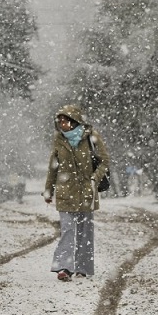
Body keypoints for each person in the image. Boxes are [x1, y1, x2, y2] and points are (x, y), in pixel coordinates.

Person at [43, 104, 110, 281]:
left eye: (64, 121)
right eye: (59, 121)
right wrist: (48, 190)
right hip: (65, 192)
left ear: (74, 121)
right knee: (67, 230)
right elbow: (53, 166)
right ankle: (64, 267)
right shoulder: (59, 140)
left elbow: (104, 162)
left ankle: (82, 267)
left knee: (85, 232)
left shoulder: (91, 137)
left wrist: (94, 179)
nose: (61, 124)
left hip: (87, 192)